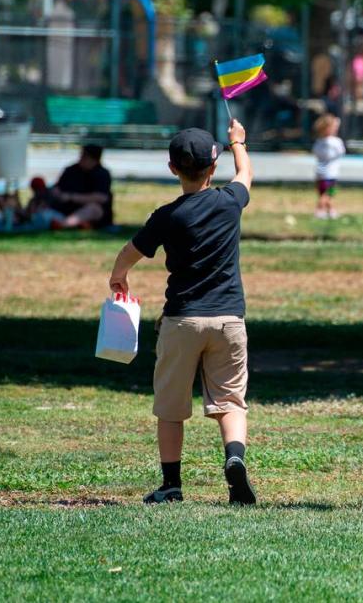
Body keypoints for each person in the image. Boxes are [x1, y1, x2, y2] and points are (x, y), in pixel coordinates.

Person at [108, 121, 256, 505]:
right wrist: (238, 142)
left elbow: (131, 250)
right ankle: (234, 459)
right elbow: (246, 174)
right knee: (230, 402)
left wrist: (119, 275)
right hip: (228, 321)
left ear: (172, 168)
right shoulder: (229, 201)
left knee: (171, 408)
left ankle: (171, 484)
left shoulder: (167, 215)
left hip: (181, 321)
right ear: (213, 166)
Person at [50, 144, 113, 229]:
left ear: (94, 159)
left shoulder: (102, 174)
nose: (81, 158)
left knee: (93, 208)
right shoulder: (71, 170)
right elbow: (57, 186)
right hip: (66, 207)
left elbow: (101, 197)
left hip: (91, 211)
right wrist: (57, 193)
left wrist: (71, 197)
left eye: (85, 156)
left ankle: (63, 224)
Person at [312, 114, 345, 219]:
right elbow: (341, 151)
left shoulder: (318, 142)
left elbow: (315, 153)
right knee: (328, 194)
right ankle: (319, 210)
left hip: (320, 171)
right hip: (331, 173)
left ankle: (331, 211)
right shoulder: (336, 142)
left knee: (323, 192)